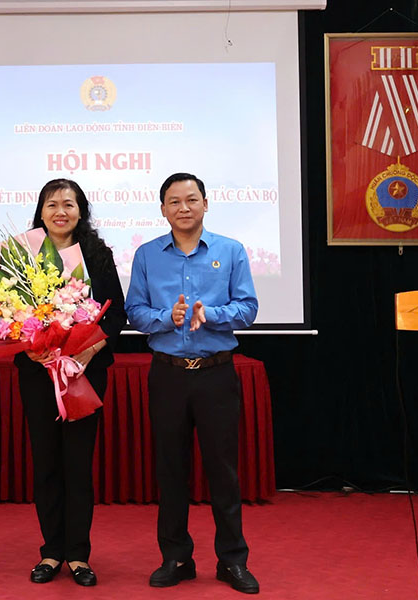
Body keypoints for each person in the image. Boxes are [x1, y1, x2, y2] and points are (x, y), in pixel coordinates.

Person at [124, 173, 260, 594]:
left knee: (223, 471)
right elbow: (134, 310)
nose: (183, 208)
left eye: (191, 199)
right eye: (173, 202)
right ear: (162, 209)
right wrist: (170, 318)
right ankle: (176, 558)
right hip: (167, 375)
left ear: (206, 203)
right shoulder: (147, 255)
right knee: (171, 471)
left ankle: (232, 560)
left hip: (216, 374)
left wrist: (211, 314)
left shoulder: (231, 251)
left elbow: (248, 308)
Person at [15, 179, 126, 587]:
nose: (60, 211)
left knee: (77, 465)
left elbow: (115, 317)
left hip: (84, 374)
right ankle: (50, 551)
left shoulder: (97, 255)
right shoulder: (22, 256)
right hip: (38, 374)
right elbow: (9, 314)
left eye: (69, 203)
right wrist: (28, 346)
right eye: (52, 204)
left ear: (81, 210)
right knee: (46, 464)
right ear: (40, 211)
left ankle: (78, 554)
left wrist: (86, 352)